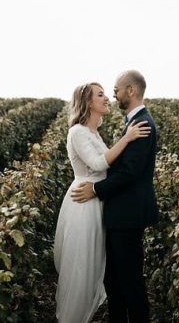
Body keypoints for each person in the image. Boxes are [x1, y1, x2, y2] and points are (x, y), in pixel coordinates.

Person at [54, 81, 151, 323]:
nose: (107, 97)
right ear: (88, 103)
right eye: (101, 94)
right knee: (82, 268)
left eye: (107, 93)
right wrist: (127, 138)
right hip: (84, 202)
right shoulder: (77, 131)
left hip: (97, 199)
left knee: (99, 266)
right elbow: (98, 165)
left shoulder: (94, 132)